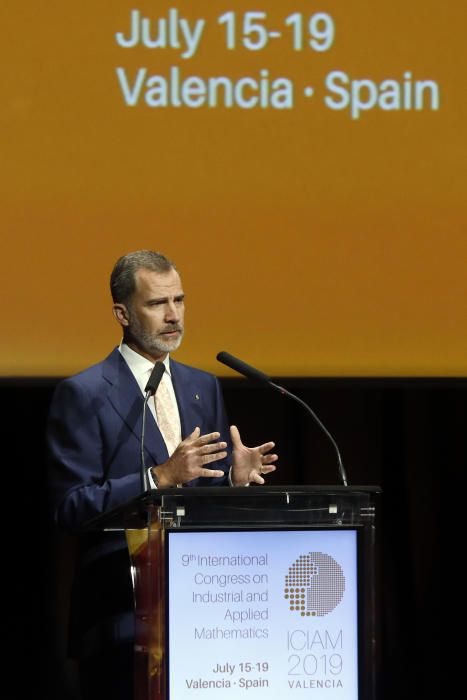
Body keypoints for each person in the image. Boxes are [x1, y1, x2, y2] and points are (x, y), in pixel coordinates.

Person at [47, 250, 277, 699]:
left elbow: (201, 496)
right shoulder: (83, 394)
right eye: (156, 304)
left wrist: (232, 479)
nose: (173, 316)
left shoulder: (201, 386)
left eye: (179, 300)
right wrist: (158, 477)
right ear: (122, 313)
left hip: (204, 613)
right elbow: (69, 508)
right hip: (122, 618)